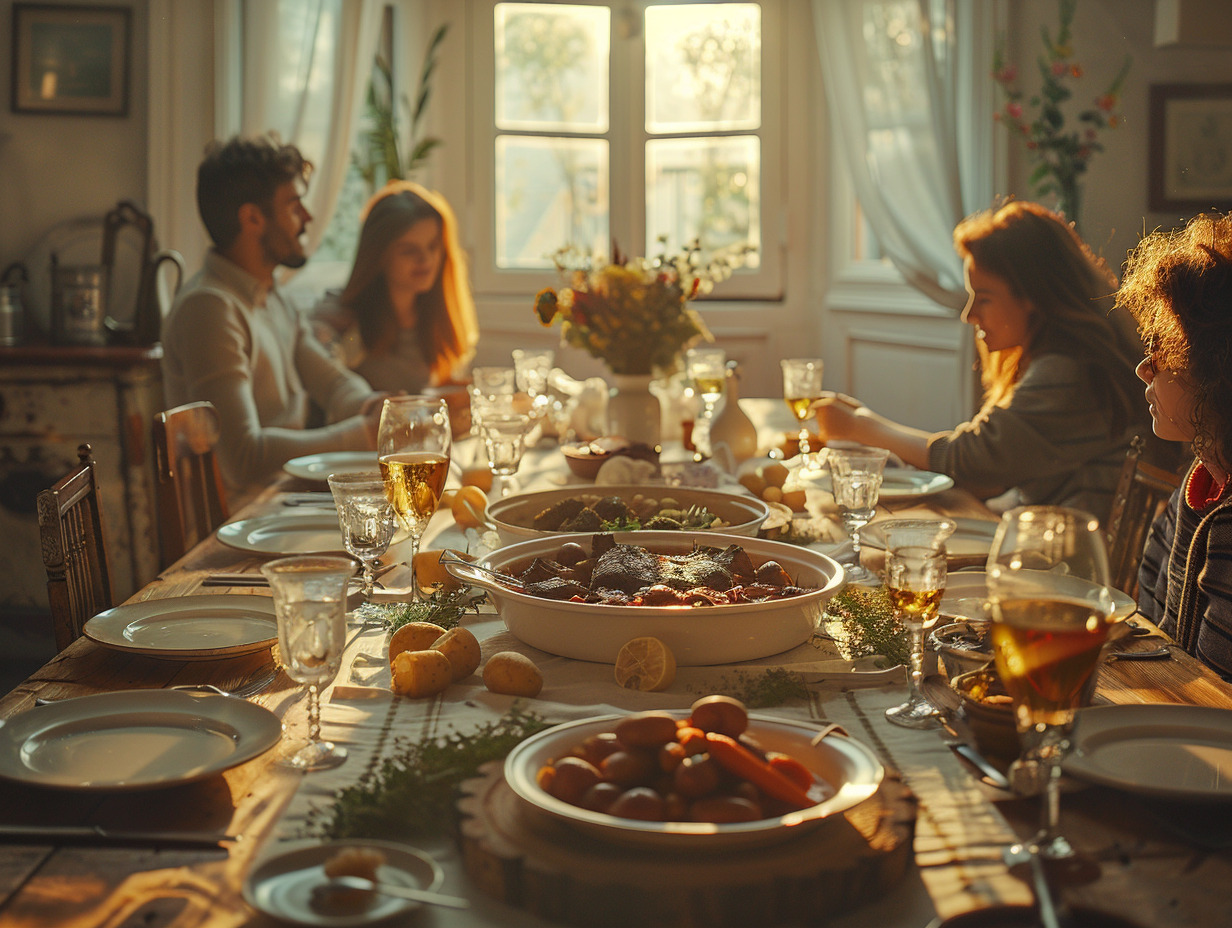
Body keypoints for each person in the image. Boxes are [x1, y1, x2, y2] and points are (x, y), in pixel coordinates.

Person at [812, 200, 1154, 521]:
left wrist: (860, 425)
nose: (968, 314)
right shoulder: (1068, 357)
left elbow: (974, 461)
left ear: (1034, 297)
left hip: (1067, 560)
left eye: (984, 298)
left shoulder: (1071, 371)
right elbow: (994, 473)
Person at [161, 135, 385, 493]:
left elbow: (332, 383)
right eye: (295, 205)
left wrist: (377, 408)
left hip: (284, 502)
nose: (308, 217)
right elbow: (243, 458)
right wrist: (364, 433)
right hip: (243, 523)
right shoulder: (209, 308)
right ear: (252, 218)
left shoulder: (270, 294)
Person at [1119, 212, 1232, 679]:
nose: (1145, 368)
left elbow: (1212, 693)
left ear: (1213, 372)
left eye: (1166, 348)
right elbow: (1151, 632)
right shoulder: (1197, 484)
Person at [313, 180, 479, 394]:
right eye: (409, 250)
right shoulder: (346, 321)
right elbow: (331, 397)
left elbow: (429, 390)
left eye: (433, 246)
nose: (426, 260)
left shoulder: (435, 315)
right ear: (378, 255)